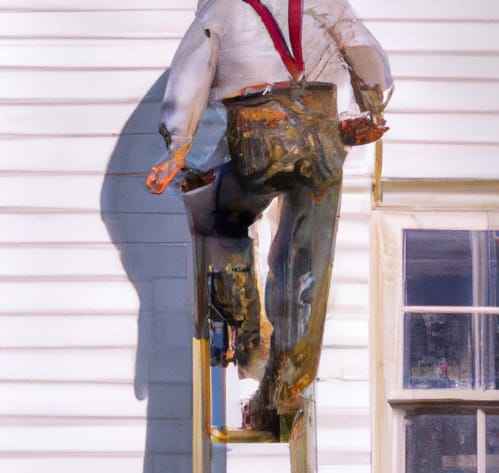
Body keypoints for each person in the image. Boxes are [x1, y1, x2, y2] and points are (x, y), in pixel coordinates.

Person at [146, 0, 392, 438]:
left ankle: (245, 332)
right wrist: (373, 105)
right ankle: (286, 388)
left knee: (221, 215)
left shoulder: (221, 9)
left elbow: (190, 78)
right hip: (321, 141)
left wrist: (177, 148)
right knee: (308, 265)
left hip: (258, 138)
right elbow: (366, 54)